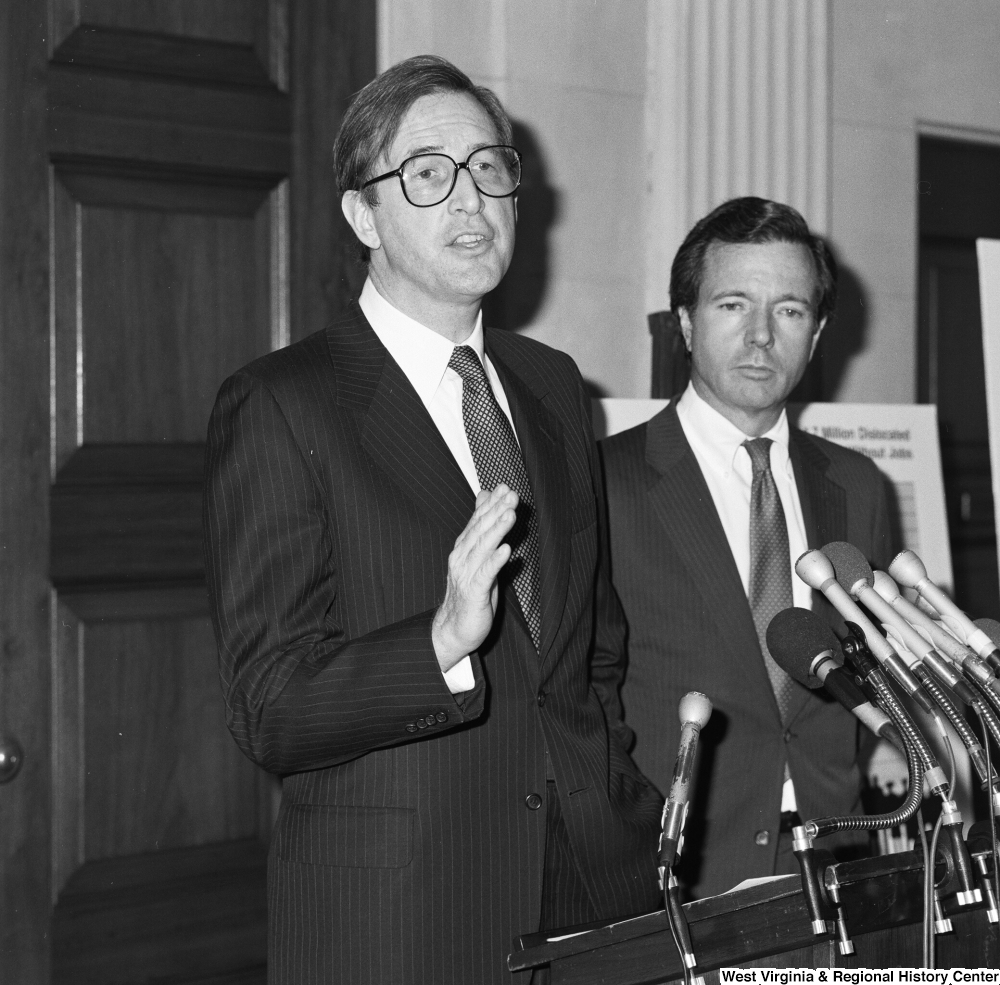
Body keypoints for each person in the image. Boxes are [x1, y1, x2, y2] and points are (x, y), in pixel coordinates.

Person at [204, 55, 661, 985]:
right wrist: (441, 641)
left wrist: (622, 799)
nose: (471, 200)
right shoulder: (283, 403)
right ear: (363, 214)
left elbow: (590, 647)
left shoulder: (552, 384)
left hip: (592, 894)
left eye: (491, 168)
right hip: (406, 918)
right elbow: (270, 709)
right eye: (428, 174)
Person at [601, 197, 893, 900]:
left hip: (832, 868)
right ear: (684, 324)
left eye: (789, 310)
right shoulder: (602, 481)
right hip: (673, 879)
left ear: (818, 334)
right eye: (733, 304)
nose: (762, 335)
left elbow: (872, 669)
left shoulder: (858, 484)